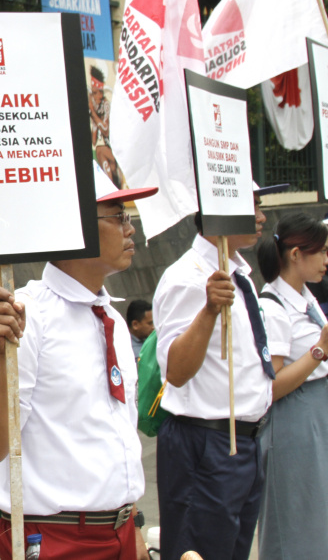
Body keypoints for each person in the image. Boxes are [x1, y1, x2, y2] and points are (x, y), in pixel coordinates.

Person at [0, 163, 154, 560]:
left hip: (120, 531)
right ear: (75, 224)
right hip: (55, 538)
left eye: (128, 217)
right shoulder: (24, 318)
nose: (130, 228)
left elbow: (115, 439)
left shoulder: (115, 321)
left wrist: (130, 522)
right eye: (118, 216)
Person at [152, 182, 286, 560]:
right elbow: (176, 371)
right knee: (201, 552)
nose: (261, 217)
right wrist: (209, 311)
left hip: (244, 440)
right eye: (252, 206)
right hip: (207, 443)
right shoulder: (188, 277)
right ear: (217, 211)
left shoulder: (238, 274)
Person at [253, 213, 328, 560]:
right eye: (322, 251)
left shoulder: (305, 297)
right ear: (296, 254)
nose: (327, 260)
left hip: (316, 412)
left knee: (317, 519)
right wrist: (319, 351)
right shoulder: (273, 306)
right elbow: (271, 386)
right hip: (294, 419)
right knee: (295, 522)